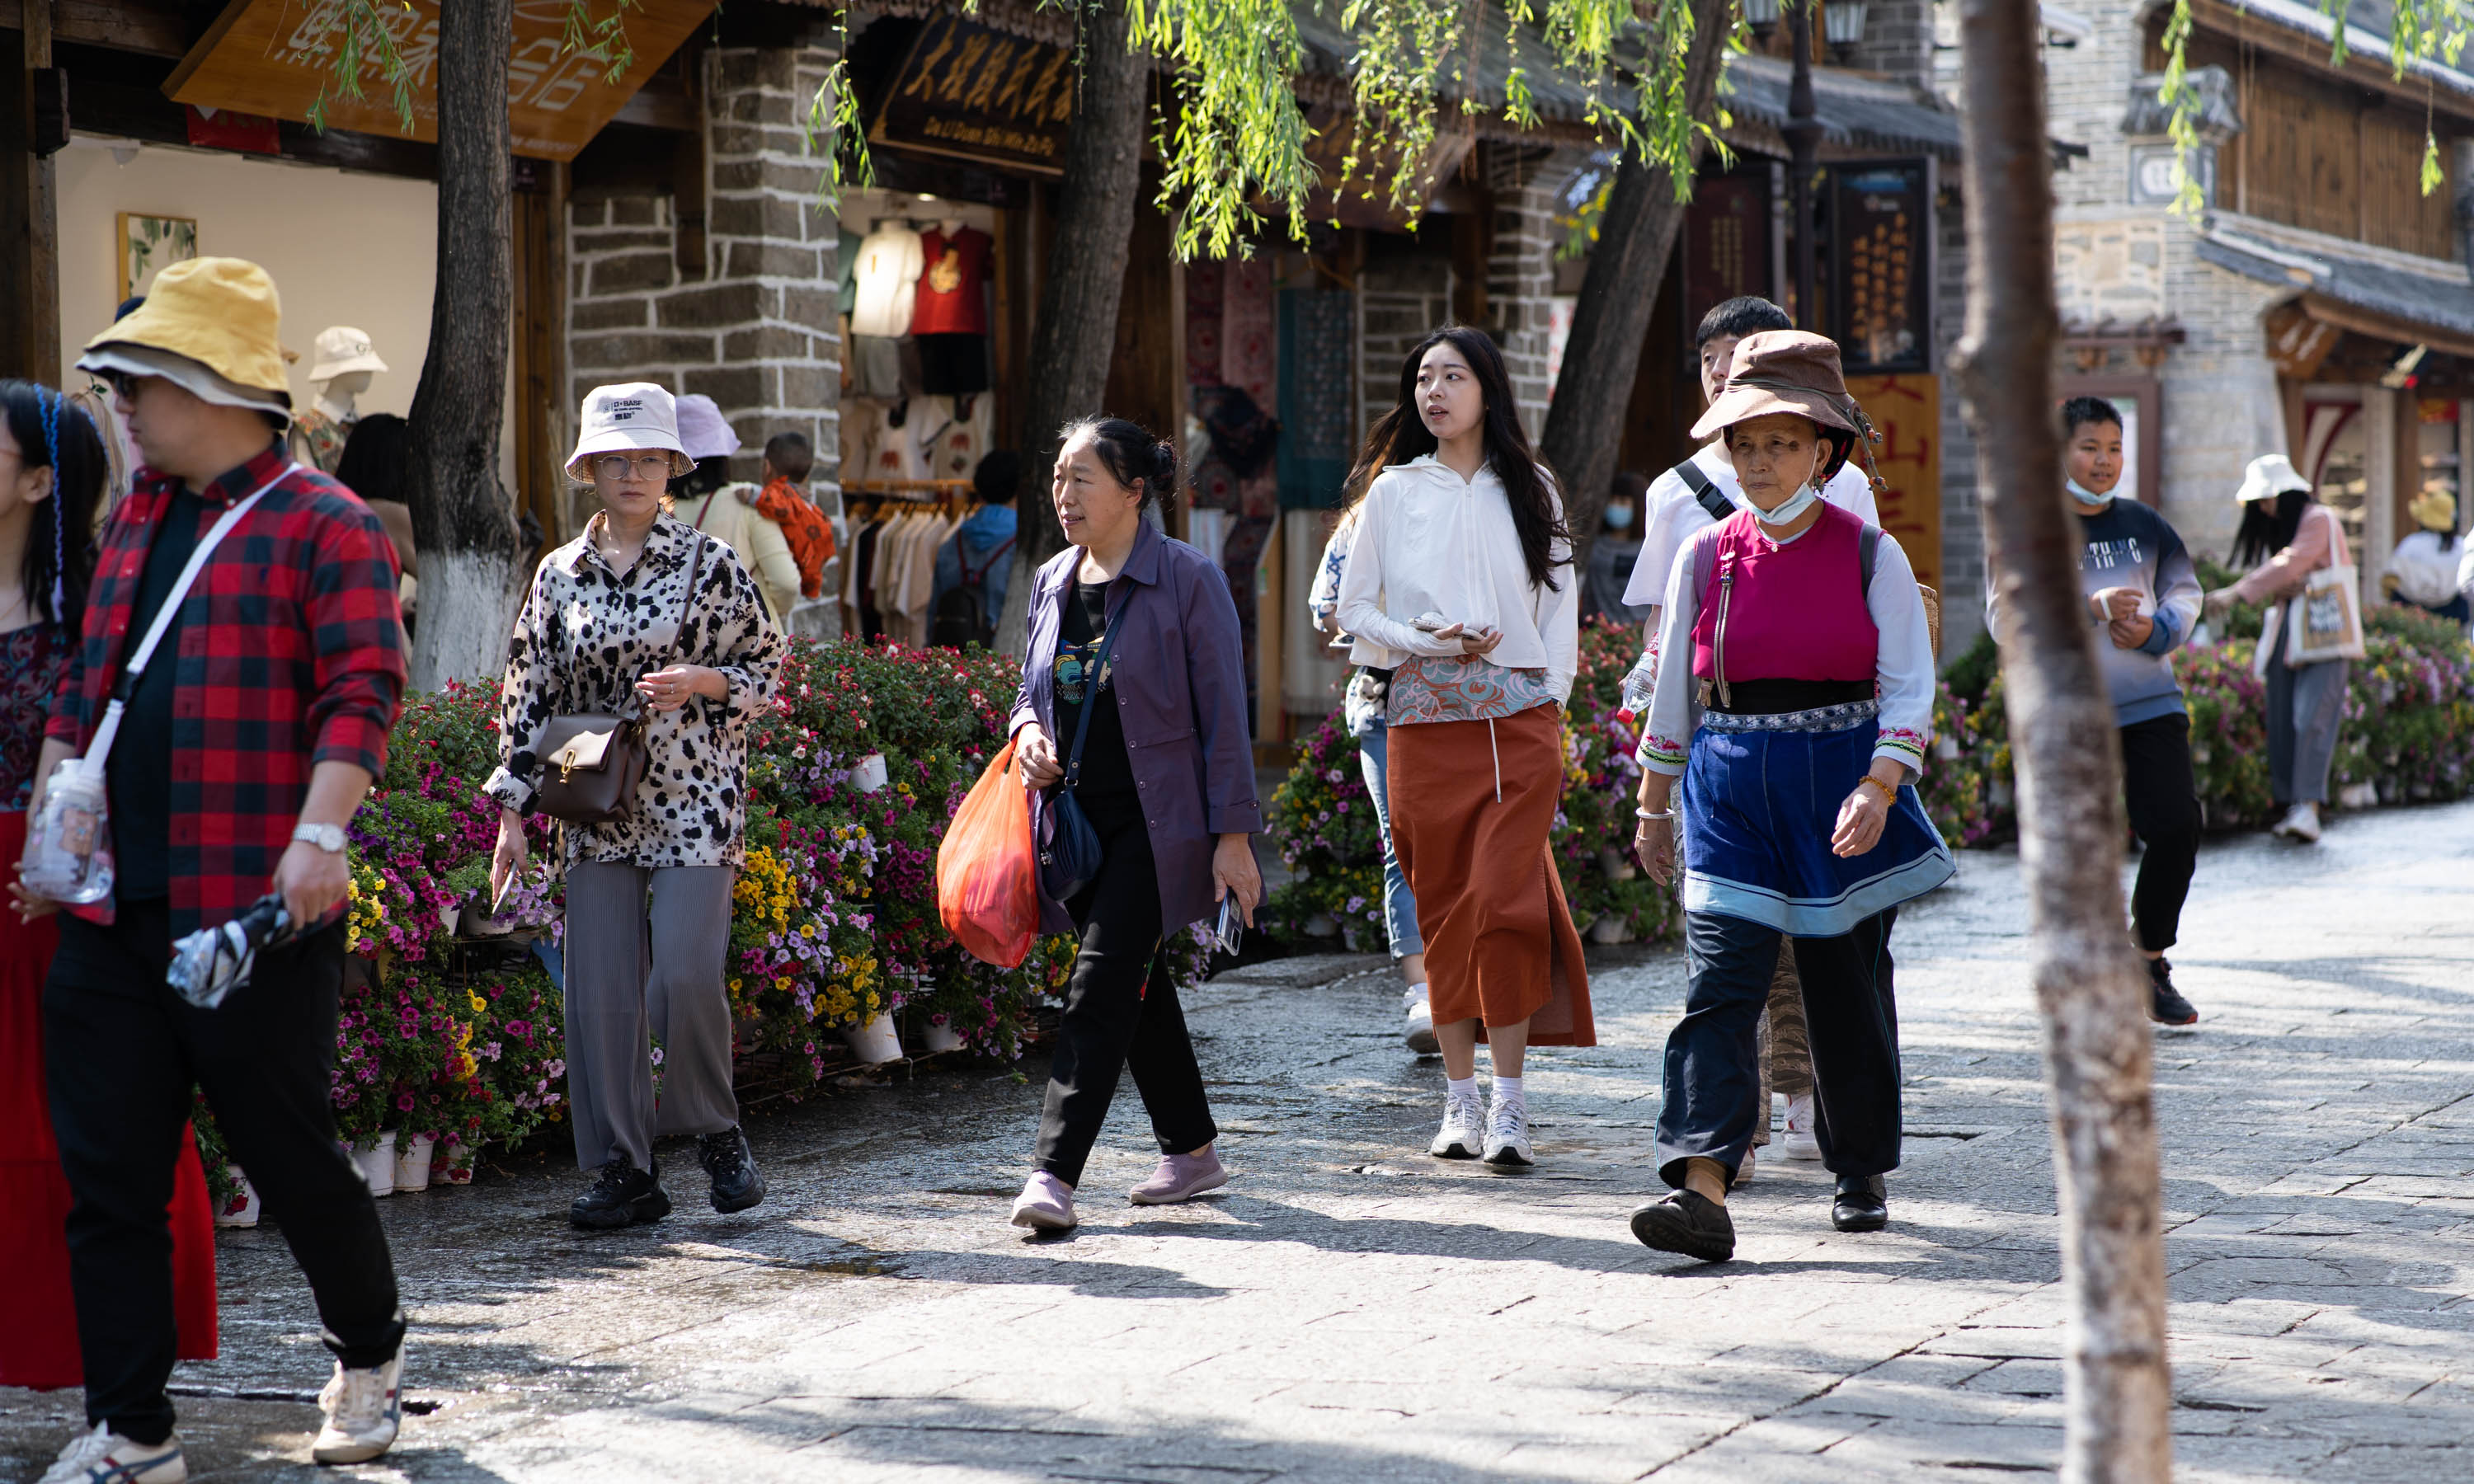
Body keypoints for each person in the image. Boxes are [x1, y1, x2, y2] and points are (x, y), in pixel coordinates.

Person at [16, 258, 412, 1476]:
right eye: (118, 384)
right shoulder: (135, 513)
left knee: (290, 1159)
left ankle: (370, 1352)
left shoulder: (327, 525)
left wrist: (320, 838)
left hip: (254, 911)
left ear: (215, 386)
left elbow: (363, 690)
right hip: (108, 911)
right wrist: (47, 832)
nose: (121, 407)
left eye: (140, 383)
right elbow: (87, 683)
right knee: (110, 1178)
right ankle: (133, 1430)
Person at [1626, 330, 1951, 1262]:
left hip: (1838, 792)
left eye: (1780, 443)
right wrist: (1654, 807)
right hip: (1727, 798)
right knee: (1718, 986)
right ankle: (1702, 1186)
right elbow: (1676, 695)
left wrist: (1881, 784)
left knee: (1842, 987)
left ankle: (1857, 1168)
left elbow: (1907, 687)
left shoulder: (1868, 554)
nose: (1759, 462)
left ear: (1824, 451)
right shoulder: (1706, 557)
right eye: (1744, 444)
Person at [486, 383, 787, 1232]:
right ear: (588, 469)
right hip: (593, 799)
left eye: (648, 458)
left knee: (686, 974)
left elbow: (767, 668)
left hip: (695, 796)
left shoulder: (712, 563)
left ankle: (715, 1130)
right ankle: (625, 1168)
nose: (631, 472)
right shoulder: (557, 575)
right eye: (615, 458)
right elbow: (526, 693)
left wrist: (702, 682)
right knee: (602, 995)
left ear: (671, 470)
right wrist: (512, 813)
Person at [1620, 296, 1880, 1173]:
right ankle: (1723, 1142)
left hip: (1824, 748)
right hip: (1716, 742)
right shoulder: (1677, 502)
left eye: (1744, 357)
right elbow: (1661, 625)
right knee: (1727, 945)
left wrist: (1884, 770)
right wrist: (1653, 789)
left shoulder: (1843, 490)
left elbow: (1879, 624)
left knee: (1820, 940)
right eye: (1712, 362)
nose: (1728, 375)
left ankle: (1815, 1106)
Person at [1, 381, 221, 1401]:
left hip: (48, 894)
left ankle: (103, 1362)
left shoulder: (93, 608)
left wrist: (59, 862)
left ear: (41, 481)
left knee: (79, 1123)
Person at [1334, 326, 1597, 1170]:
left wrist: (1549, 703)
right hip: (1421, 720)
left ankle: (1512, 1105)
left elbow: (1561, 607)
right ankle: (1459, 1103)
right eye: (1422, 379)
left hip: (1519, 724)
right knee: (1446, 910)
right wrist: (1422, 639)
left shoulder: (1533, 486)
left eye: (1452, 376)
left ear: (1488, 389)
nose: (1434, 392)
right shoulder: (1391, 492)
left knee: (1506, 903)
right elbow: (1351, 607)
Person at [1004, 418, 1261, 1231]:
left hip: (1163, 826)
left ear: (1134, 491)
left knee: (1101, 985)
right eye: (1058, 475)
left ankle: (1053, 1175)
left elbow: (1226, 715)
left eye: (1083, 477)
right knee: (1134, 991)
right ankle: (1191, 1151)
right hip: (1073, 824)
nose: (1064, 493)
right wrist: (1028, 737)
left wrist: (1232, 837)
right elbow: (1027, 693)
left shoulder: (1187, 579)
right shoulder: (1052, 580)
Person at [1992, 397, 2203, 1025]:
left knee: (2175, 826)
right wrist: (2093, 607)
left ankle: (2149, 959)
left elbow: (2186, 592)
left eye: (2114, 448)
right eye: (2090, 447)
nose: (2104, 461)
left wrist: (2158, 630)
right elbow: (2005, 619)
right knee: (2080, 848)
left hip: (2150, 701)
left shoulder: (2145, 524)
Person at [1307, 503, 1432, 1053]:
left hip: (1472, 704)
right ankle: (1423, 993)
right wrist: (1391, 628)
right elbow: (1326, 609)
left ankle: (1461, 981)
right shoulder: (1366, 517)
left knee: (1463, 850)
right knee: (1401, 846)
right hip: (1385, 701)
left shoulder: (1481, 497)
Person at [2204, 453, 2349, 844]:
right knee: (2284, 715)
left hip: (2326, 632)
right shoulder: (2297, 525)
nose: (2265, 510)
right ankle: (2292, 805)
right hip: (2294, 629)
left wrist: (2237, 594)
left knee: (2312, 717)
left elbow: (2291, 563)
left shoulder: (2319, 519)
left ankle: (2308, 806)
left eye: (2267, 500)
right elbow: (2290, 569)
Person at [675, 394, 803, 627]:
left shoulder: (653, 512)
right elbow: (786, 583)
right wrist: (778, 608)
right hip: (751, 643)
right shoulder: (748, 501)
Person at [930, 449, 1021, 650]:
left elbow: (934, 614)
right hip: (1005, 657)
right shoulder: (1023, 545)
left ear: (979, 488)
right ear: (1018, 489)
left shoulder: (952, 542)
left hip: (954, 659)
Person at [754, 430, 838, 622]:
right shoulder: (805, 502)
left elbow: (770, 504)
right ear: (806, 477)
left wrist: (751, 496)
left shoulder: (776, 494)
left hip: (781, 583)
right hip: (808, 567)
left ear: (767, 467)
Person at [2383, 488, 2467, 624]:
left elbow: (2390, 581)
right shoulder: (2460, 547)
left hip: (2412, 617)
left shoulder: (2411, 544)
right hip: (2452, 618)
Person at [1583, 471, 1652, 627]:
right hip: (1596, 635)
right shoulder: (1593, 546)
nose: (1614, 505)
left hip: (1636, 637)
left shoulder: (1649, 549)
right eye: (1611, 500)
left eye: (1622, 501)